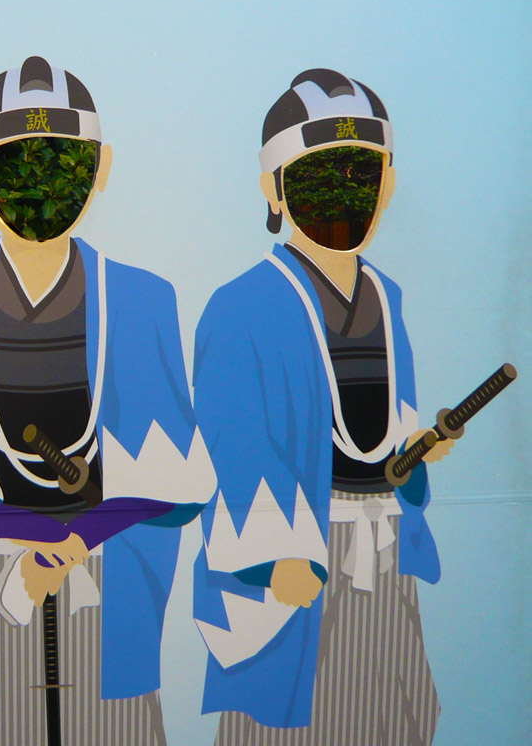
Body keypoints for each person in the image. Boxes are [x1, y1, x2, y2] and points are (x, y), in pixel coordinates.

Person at [0, 56, 217, 745]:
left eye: (63, 166)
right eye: (13, 166)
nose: (38, 191)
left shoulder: (143, 301)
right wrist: (25, 551)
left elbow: (175, 473)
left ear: (101, 169)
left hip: (107, 574)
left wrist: (76, 541)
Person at [191, 69, 452, 745]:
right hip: (297, 564)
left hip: (384, 557)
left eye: (359, 178)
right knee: (291, 722)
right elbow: (233, 446)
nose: (341, 198)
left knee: (395, 718)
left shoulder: (387, 297)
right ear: (274, 188)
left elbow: (389, 429)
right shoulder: (240, 306)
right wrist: (274, 556)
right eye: (317, 179)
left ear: (386, 185)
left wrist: (415, 456)